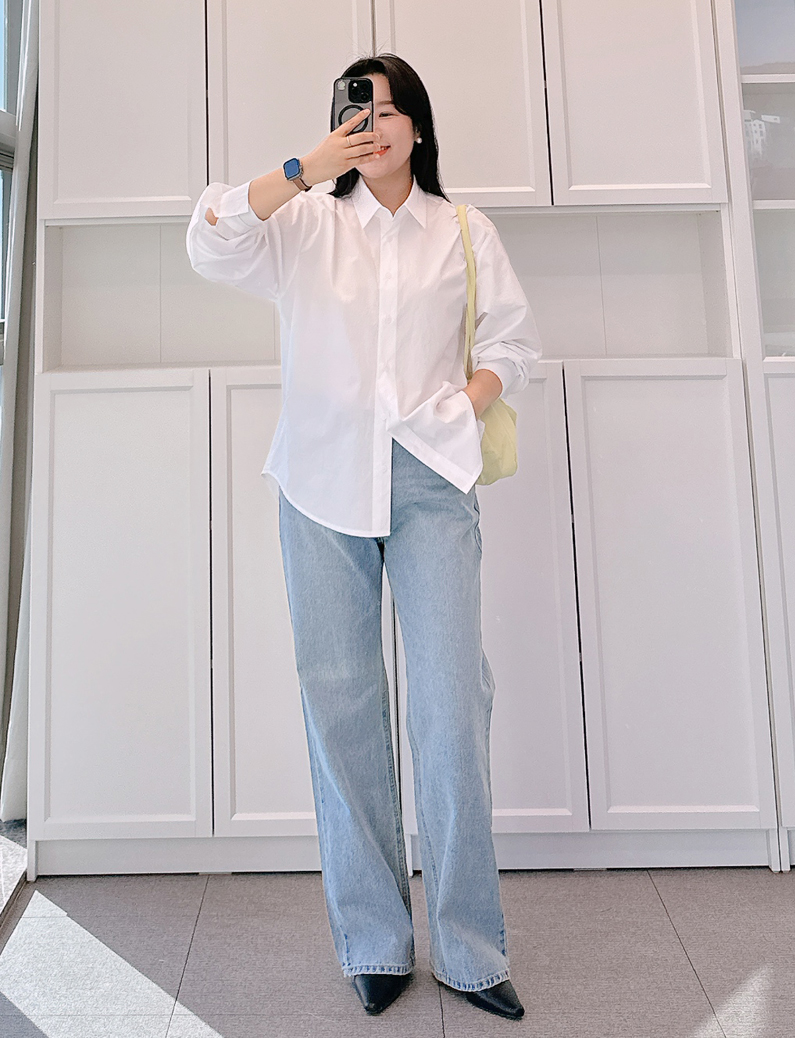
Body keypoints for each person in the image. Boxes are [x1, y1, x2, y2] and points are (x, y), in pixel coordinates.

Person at [186, 53, 542, 1020]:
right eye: (357, 110)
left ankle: (470, 949)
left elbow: (512, 340)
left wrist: (464, 402)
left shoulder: (463, 229)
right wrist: (303, 168)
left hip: (431, 480)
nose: (373, 125)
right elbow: (209, 238)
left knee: (450, 707)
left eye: (389, 111)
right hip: (318, 481)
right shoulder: (304, 222)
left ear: (419, 127)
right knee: (341, 705)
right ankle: (375, 944)